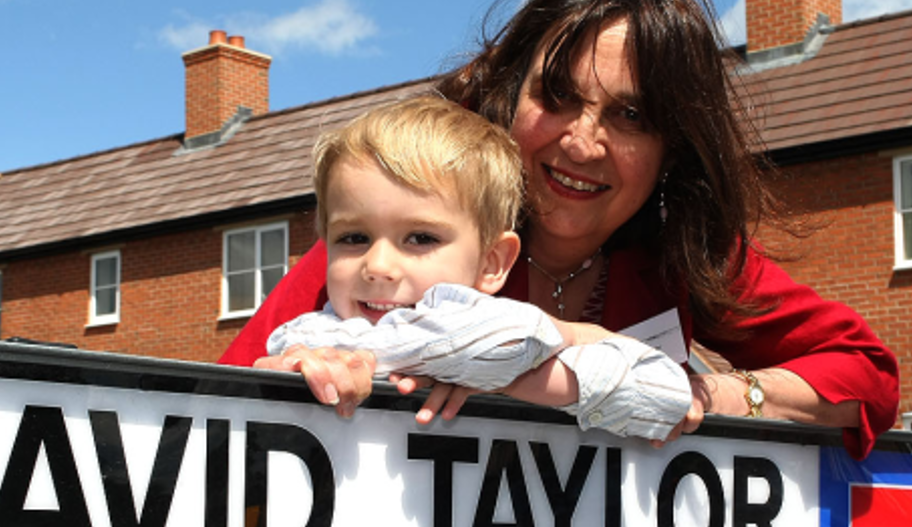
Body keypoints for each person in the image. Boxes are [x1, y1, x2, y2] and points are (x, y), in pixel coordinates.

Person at [220, 0, 899, 458]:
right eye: (558, 96)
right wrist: (299, 382)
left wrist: (702, 395)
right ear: (511, 92)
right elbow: (208, 407)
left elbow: (867, 378)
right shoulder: (401, 229)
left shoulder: (685, 250)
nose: (582, 141)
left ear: (674, 145)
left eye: (632, 116)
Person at [266, 95, 691, 440]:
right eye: (353, 238)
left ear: (492, 263)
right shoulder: (310, 337)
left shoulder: (495, 333)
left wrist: (516, 373)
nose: (377, 266)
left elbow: (667, 396)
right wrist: (281, 383)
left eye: (420, 238)